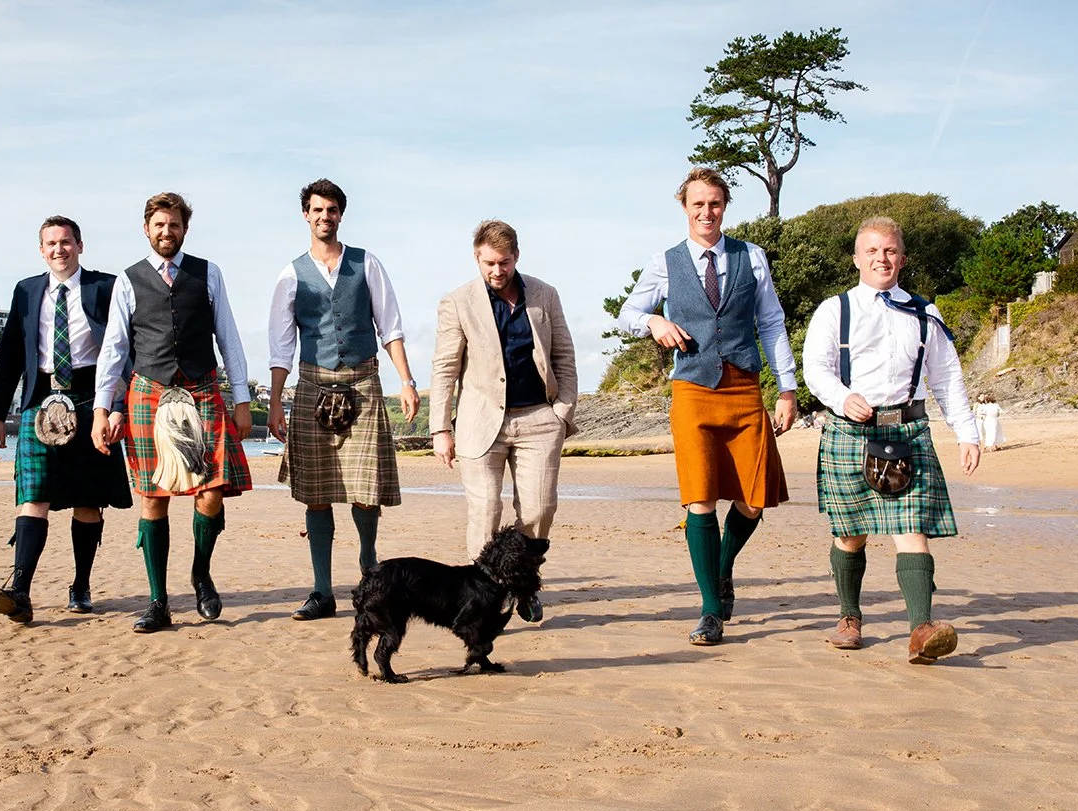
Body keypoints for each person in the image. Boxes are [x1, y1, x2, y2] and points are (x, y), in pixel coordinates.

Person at [615, 166, 797, 646]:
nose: (706, 212)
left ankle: (721, 567)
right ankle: (711, 610)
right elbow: (628, 313)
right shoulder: (664, 262)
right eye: (698, 204)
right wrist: (654, 323)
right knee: (700, 497)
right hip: (692, 389)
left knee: (753, 499)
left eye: (714, 203)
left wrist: (787, 389)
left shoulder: (751, 257)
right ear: (685, 207)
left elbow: (772, 323)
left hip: (743, 386)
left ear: (724, 206)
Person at [802, 216, 980, 664]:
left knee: (911, 529)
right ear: (857, 258)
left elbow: (946, 377)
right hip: (851, 431)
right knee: (850, 534)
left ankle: (922, 629)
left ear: (902, 258)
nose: (881, 258)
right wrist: (843, 398)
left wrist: (967, 431)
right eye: (872, 251)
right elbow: (815, 368)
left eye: (890, 251)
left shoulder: (925, 313)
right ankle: (849, 617)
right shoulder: (834, 310)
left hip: (908, 431)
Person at [91, 193, 253, 633]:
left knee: (211, 492)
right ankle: (158, 601)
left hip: (202, 389)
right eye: (159, 225)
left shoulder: (208, 273)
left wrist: (242, 400)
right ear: (146, 229)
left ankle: (201, 573)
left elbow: (229, 338)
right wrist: (102, 409)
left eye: (174, 225)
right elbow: (114, 349)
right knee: (153, 497)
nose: (167, 231)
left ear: (185, 229)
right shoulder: (129, 280)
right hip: (149, 392)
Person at [266, 179, 421, 621]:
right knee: (316, 494)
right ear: (306, 215)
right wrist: (274, 402)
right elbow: (281, 347)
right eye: (317, 209)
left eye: (331, 210)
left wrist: (407, 380)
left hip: (363, 383)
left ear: (340, 215)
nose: (324, 216)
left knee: (366, 491)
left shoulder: (366, 263)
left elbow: (390, 327)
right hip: (313, 385)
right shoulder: (290, 274)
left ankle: (369, 568)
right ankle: (322, 592)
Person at [0, 216, 134, 625]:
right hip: (40, 401)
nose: (59, 250)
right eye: (50, 243)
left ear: (80, 246)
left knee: (88, 500)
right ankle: (20, 590)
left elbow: (127, 348)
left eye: (66, 242)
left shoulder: (106, 287)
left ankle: (81, 586)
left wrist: (118, 405)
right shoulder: (27, 291)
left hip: (92, 399)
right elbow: (10, 354)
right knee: (33, 495)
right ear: (41, 250)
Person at [429, 219, 578, 624]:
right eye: (489, 263)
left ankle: (523, 584)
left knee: (539, 510)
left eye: (505, 262)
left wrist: (562, 413)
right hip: (479, 422)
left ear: (516, 257)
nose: (497, 271)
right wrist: (440, 428)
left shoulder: (545, 295)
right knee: (485, 509)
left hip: (539, 418)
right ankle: (484, 600)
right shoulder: (457, 302)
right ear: (477, 258)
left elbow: (564, 355)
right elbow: (445, 368)